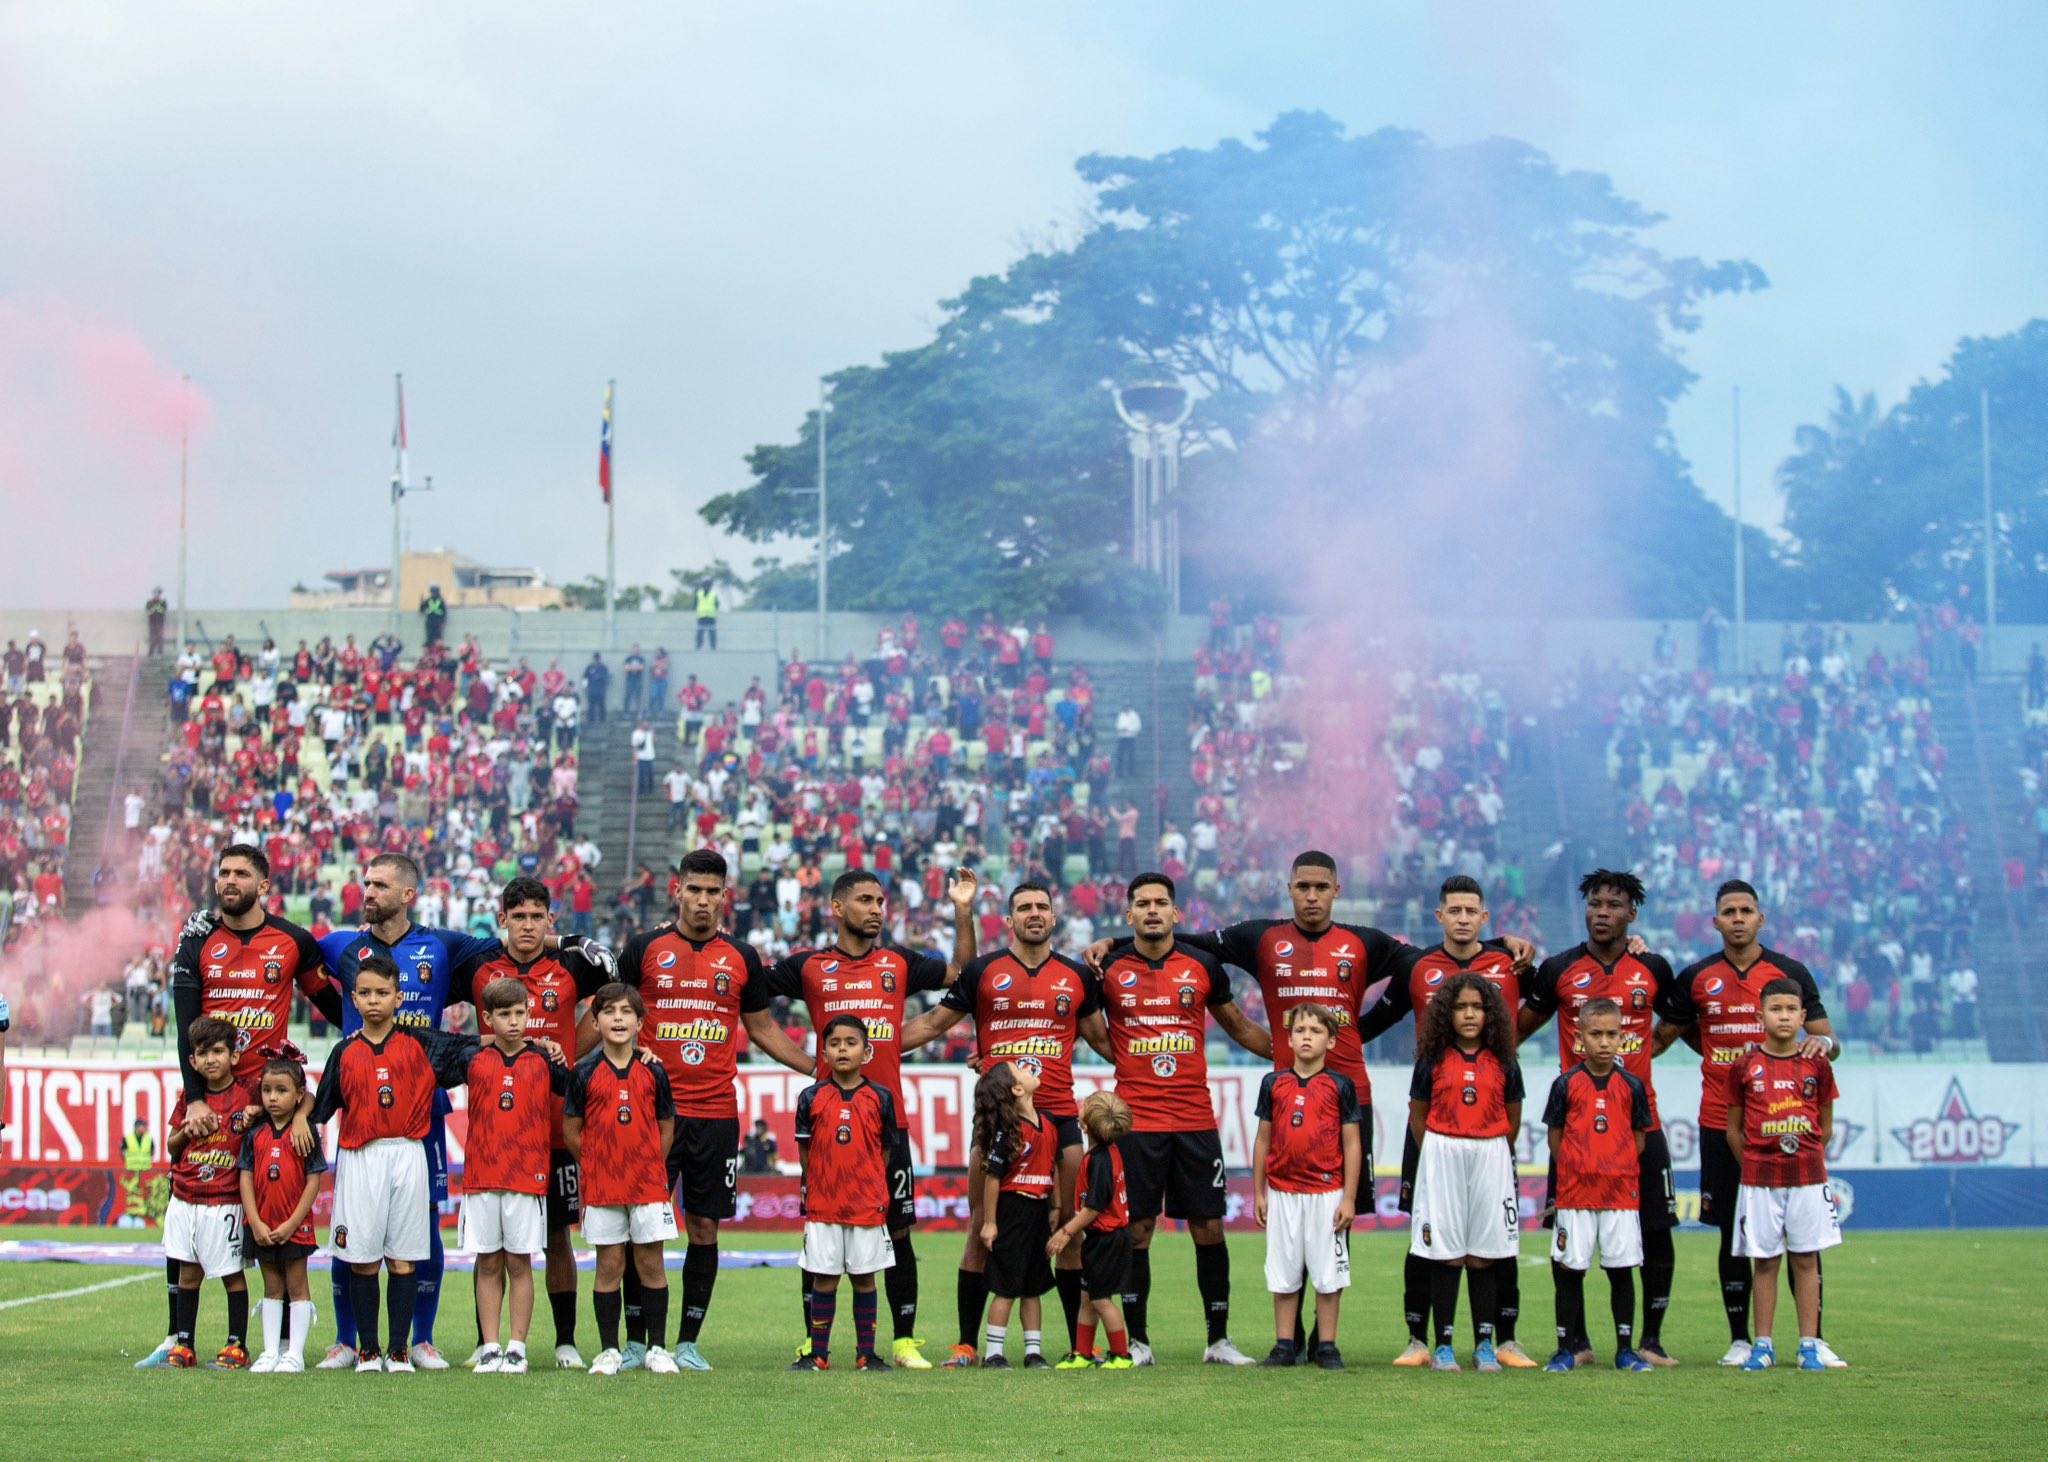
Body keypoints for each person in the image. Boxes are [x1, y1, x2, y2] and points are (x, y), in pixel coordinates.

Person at [770, 866, 979, 1369]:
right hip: (827, 1125)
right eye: (866, 900)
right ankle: (812, 1343)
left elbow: (964, 976)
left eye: (881, 900)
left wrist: (963, 911)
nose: (878, 909)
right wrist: (808, 1063)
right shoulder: (809, 966)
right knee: (818, 1229)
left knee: (898, 1230)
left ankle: (903, 1341)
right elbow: (746, 996)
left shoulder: (899, 963)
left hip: (888, 1123)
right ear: (838, 909)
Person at [615, 849, 813, 1369]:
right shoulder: (644, 948)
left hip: (716, 1113)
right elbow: (612, 1015)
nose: (703, 900)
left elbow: (764, 1029)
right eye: (694, 889)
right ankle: (638, 1341)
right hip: (651, 1111)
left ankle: (687, 1342)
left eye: (713, 891)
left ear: (725, 896)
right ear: (676, 891)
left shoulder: (742, 957)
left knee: (705, 1228)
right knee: (643, 1225)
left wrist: (816, 1068)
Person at [901, 881, 1105, 1366]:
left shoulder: (1077, 977)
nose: (1034, 914)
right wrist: (870, 1049)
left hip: (1058, 1114)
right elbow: (931, 1024)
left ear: (1055, 918)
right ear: (1009, 921)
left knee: (1072, 1233)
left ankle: (1078, 1349)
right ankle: (968, 1346)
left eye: (1043, 907)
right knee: (979, 1229)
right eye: (1024, 908)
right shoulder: (984, 971)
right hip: (997, 1117)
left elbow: (1104, 1042)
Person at [1656, 879, 1843, 1369]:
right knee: (1733, 1232)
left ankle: (1814, 1338)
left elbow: (1827, 1040)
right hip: (1723, 1123)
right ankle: (1742, 1339)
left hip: (1786, 1132)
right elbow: (1663, 1036)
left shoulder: (1790, 972)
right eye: (1728, 911)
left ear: (1761, 918)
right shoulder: (1697, 977)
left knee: (1805, 1239)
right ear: (1715, 921)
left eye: (1746, 910)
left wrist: (1819, 1046)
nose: (1738, 918)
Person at [1095, 872, 1268, 1365]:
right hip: (1137, 1125)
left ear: (1177, 914)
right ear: (1128, 915)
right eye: (1143, 903)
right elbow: (1085, 1022)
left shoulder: (1203, 965)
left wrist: (1289, 1058)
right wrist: (1122, 1056)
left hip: (1195, 1119)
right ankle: (1138, 1340)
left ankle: (1218, 1340)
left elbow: (1238, 1026)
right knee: (1138, 1229)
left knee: (1209, 1228)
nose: (1152, 910)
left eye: (1161, 903)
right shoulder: (1106, 966)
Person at [1522, 870, 1685, 1366]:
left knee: (1655, 1232)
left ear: (1631, 913)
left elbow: (1678, 1017)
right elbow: (1521, 1027)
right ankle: (1577, 1341)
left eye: (1614, 905)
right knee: (1568, 1244)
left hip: (1641, 1123)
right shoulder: (1560, 969)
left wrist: (1648, 1046)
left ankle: (1650, 1341)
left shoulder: (1652, 965)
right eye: (1595, 903)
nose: (1602, 912)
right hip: (1576, 1136)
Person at [464, 877, 616, 1369]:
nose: (528, 925)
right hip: (497, 1135)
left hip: (555, 1130)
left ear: (550, 920)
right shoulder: (481, 968)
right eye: (519, 916)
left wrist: (573, 1045)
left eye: (537, 917)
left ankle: (565, 1340)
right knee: (492, 1246)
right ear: (502, 918)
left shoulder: (569, 965)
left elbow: (614, 982)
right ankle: (489, 1343)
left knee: (556, 1238)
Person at [310, 956, 482, 1373]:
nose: (373, 1001)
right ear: (353, 998)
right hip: (359, 1157)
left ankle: (399, 1350)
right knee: (363, 1258)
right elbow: (320, 1108)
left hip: (408, 1153)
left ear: (398, 997)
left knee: (403, 1258)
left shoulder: (422, 1045)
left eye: (382, 993)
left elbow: (476, 1050)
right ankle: (368, 1350)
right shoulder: (344, 1051)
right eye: (365, 994)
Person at [1408, 975, 1524, 1373]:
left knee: (1483, 1255)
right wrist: (1442, 1151)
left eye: (1477, 1007)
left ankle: (1485, 1344)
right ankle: (1443, 1346)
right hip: (1443, 1151)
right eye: (1461, 1007)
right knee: (1447, 1253)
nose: (1470, 1014)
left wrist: (1488, 1147)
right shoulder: (1432, 1060)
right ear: (1447, 1013)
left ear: (1489, 1013)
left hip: (1491, 1151)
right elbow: (1418, 1116)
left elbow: (1513, 1119)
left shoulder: (1505, 1060)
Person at [1728, 979, 1843, 1372]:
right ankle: (1763, 1345)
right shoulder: (1745, 1064)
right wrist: (1756, 1163)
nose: (1783, 1016)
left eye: (1791, 1009)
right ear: (1761, 1016)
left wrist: (1807, 1156)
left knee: (1806, 1260)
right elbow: (1733, 1129)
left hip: (1807, 1177)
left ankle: (1809, 1345)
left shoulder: (1817, 1063)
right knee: (1764, 1261)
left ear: (1803, 1017)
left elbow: (1825, 1125)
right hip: (1760, 1181)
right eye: (1775, 1009)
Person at [461, 977, 575, 1374]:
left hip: (528, 1179)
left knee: (519, 1262)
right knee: (487, 1262)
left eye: (520, 1013)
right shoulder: (470, 1058)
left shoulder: (545, 1060)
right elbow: (424, 1043)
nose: (513, 1022)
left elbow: (581, 1088)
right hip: (481, 1177)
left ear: (530, 1014)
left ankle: (517, 1347)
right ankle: (489, 1346)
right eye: (504, 1015)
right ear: (487, 1018)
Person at [567, 983, 681, 1376]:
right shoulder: (584, 1073)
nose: (618, 1018)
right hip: (603, 1185)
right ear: (595, 1022)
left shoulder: (653, 1070)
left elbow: (666, 1126)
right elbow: (571, 1129)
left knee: (651, 1263)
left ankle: (658, 1349)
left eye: (626, 1012)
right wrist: (597, 1164)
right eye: (609, 1011)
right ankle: (609, 1350)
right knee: (609, 1264)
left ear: (639, 1022)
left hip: (648, 1183)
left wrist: (650, 1163)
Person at [1540, 999, 1653, 1373]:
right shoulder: (1566, 1084)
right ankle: (1565, 1349)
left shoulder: (1632, 1086)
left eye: (1612, 1034)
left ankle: (1625, 1349)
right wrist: (1579, 1167)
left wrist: (1613, 1166)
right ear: (1579, 1037)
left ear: (1622, 1037)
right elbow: (1556, 1138)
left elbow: (1638, 1139)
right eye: (1596, 1034)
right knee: (1571, 1270)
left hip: (1620, 1195)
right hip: (1575, 1195)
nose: (1604, 1042)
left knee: (1621, 1269)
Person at [1251, 1003, 1362, 1370]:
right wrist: (1259, 1192)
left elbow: (1351, 1144)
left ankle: (1327, 1345)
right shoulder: (1274, 1083)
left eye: (1315, 1031)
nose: (1307, 1037)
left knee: (1328, 1274)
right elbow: (1263, 1140)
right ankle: (1284, 1344)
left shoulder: (1340, 1085)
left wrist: (1348, 1197)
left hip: (1326, 1194)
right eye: (1300, 1030)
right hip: (1283, 1192)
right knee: (1283, 1272)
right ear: (1289, 1037)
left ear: (1330, 1041)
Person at [790, 1015, 898, 1372]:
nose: (842, 1049)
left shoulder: (881, 1097)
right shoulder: (811, 1097)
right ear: (823, 1052)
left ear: (866, 1052)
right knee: (825, 1277)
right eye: (835, 1044)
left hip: (866, 1204)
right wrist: (821, 1180)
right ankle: (818, 1353)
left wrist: (866, 1182)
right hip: (824, 1205)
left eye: (851, 1043)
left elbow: (884, 1152)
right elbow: (806, 1153)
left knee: (865, 1278)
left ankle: (866, 1353)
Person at [162, 1016, 260, 1369]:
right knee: (188, 1273)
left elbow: (275, 1112)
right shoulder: (190, 1100)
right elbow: (172, 1146)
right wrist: (187, 1131)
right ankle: (184, 1344)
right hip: (186, 1196)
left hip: (225, 1199)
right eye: (202, 1053)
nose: (211, 1060)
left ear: (234, 1056)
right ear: (192, 1062)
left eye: (218, 1051)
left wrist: (257, 1113)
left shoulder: (248, 1093)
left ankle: (237, 1345)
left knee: (231, 1273)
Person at [238, 1047, 325, 1373]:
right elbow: (245, 1179)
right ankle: (271, 1352)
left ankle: (295, 1354)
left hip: (293, 1226)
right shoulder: (256, 1132)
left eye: (282, 1090)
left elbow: (313, 1181)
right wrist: (256, 1223)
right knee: (271, 1288)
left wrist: (292, 1223)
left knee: (297, 1287)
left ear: (299, 1094)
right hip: (263, 1224)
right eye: (267, 1090)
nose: (272, 1097)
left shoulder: (304, 1132)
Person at [973, 1061, 1057, 1368]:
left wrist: (1056, 1206)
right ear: (1018, 1089)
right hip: (1013, 1211)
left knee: (1033, 1285)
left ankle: (1033, 1351)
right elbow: (993, 1177)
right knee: (1007, 1285)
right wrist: (991, 1223)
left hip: (1038, 1210)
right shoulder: (1010, 1133)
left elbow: (1053, 1167)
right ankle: (994, 1352)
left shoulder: (1047, 1123)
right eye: (1019, 1070)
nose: (1028, 1068)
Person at [1046, 1090, 1136, 1369]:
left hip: (1106, 1239)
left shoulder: (1099, 1160)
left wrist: (1066, 1232)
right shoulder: (1104, 1152)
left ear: (1085, 1125)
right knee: (1087, 1298)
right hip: (1104, 1238)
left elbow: (1094, 1207)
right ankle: (1082, 1353)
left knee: (1101, 1300)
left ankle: (1121, 1355)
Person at [694, 581, 719, 651]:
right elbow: (695, 604)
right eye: (706, 585)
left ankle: (713, 648)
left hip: (711, 617)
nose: (707, 587)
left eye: (709, 585)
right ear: (703, 586)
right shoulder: (699, 594)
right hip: (702, 617)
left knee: (712, 634)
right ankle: (698, 647)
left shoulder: (713, 594)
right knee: (700, 634)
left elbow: (717, 605)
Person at [146, 588, 169, 655]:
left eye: (158, 594)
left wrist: (157, 608)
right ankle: (151, 651)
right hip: (152, 622)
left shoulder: (163, 602)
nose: (156, 595)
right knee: (152, 637)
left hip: (160, 622)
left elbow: (163, 611)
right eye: (155, 594)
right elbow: (149, 611)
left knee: (160, 637)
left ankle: (160, 651)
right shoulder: (149, 602)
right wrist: (155, 608)